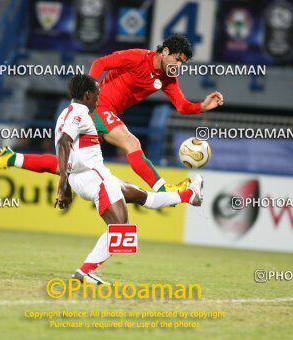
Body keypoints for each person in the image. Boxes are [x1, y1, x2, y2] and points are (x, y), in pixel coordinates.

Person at [0, 34, 223, 193]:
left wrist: (201, 107)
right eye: (177, 59)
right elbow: (100, 63)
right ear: (165, 51)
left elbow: (181, 106)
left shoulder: (169, 78)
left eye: (183, 62)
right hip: (99, 106)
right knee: (131, 142)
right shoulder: (138, 57)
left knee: (68, 166)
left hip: (106, 113)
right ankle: (163, 189)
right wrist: (89, 92)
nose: (179, 65)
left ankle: (10, 158)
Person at [57, 74, 203, 284]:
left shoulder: (68, 112)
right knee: (122, 229)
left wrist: (67, 183)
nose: (99, 98)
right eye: (97, 94)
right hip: (94, 178)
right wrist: (62, 185)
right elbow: (64, 142)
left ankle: (190, 195)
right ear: (87, 95)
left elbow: (67, 147)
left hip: (92, 176)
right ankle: (84, 272)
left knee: (142, 197)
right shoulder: (80, 114)